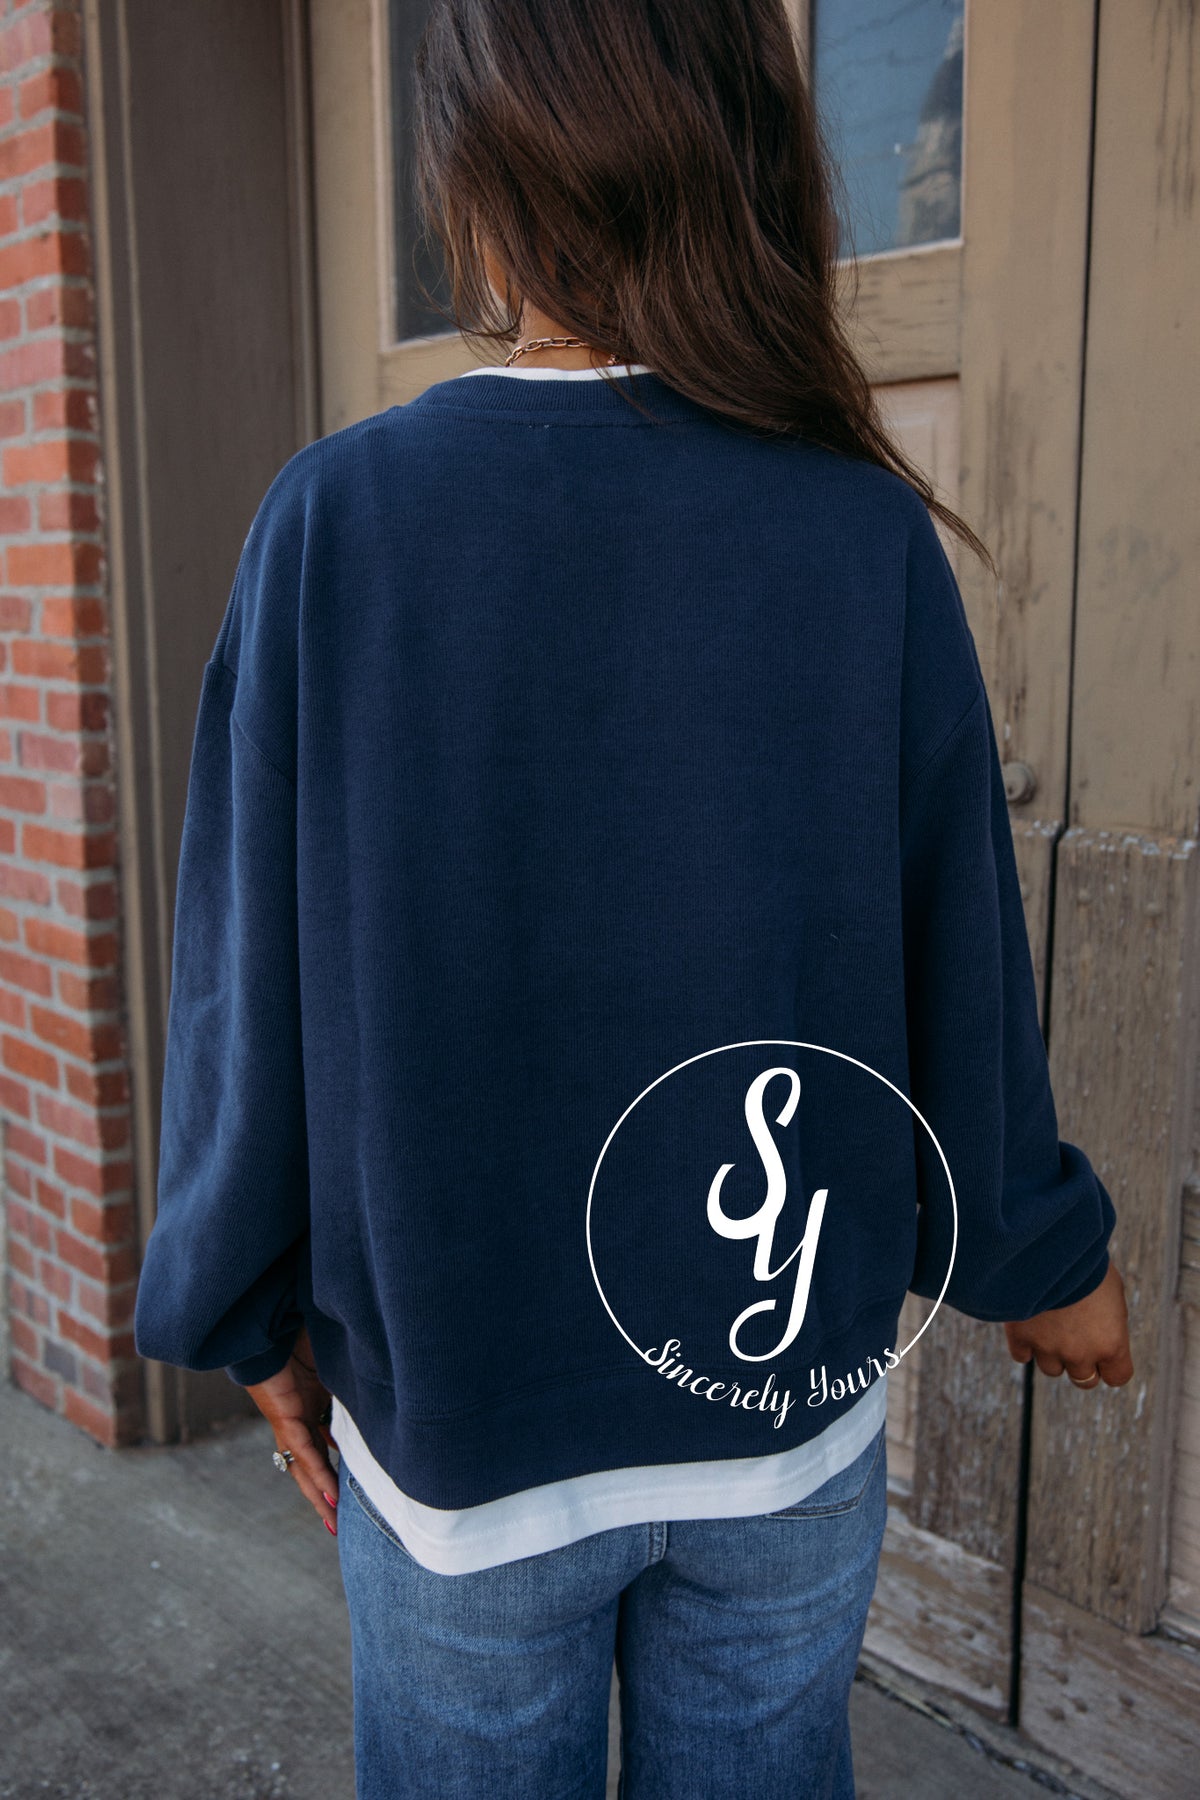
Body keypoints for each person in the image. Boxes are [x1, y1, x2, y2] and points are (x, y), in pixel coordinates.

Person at [132, 2, 1134, 1795]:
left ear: (475, 172)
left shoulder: (337, 525)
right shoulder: (855, 529)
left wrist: (241, 1303)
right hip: (776, 1421)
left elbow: (245, 979)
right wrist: (1037, 1256)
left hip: (465, 1446)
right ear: (747, 156)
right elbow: (958, 944)